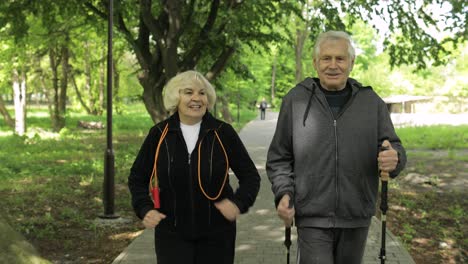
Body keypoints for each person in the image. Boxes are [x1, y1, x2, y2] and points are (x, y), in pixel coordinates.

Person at [266, 31, 407, 264]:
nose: (333, 65)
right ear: (315, 63)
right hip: (311, 215)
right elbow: (279, 157)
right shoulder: (296, 100)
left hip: (357, 215)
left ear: (352, 62)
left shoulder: (371, 102)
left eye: (340, 59)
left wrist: (395, 159)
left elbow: (393, 146)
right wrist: (284, 192)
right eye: (326, 58)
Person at [128, 70, 261, 264]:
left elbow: (250, 176)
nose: (196, 98)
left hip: (218, 235)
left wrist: (239, 203)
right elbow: (137, 178)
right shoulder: (159, 134)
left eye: (202, 93)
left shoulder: (223, 133)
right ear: (176, 97)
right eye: (188, 92)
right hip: (171, 235)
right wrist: (145, 208)